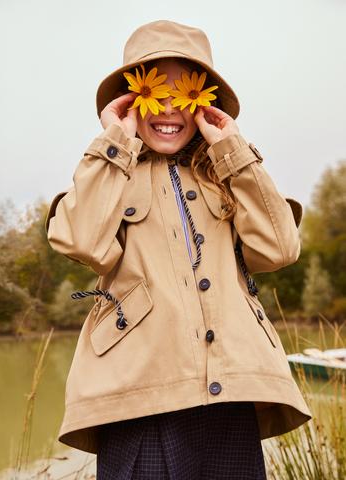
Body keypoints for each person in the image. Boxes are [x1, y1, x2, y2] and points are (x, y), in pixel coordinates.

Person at [45, 19, 312, 479]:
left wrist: (232, 148)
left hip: (230, 395)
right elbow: (82, 242)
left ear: (203, 102)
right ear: (133, 99)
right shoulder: (112, 172)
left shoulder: (226, 172)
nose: (168, 108)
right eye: (153, 93)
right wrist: (115, 141)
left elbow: (280, 248)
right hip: (140, 396)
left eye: (184, 96)